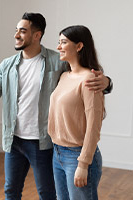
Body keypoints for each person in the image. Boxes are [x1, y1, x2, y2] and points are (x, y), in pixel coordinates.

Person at [0, 13, 112, 200]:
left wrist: (107, 81)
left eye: (22, 31)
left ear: (37, 35)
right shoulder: (7, 65)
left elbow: (85, 74)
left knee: (47, 193)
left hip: (42, 143)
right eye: (16, 30)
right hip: (14, 140)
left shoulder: (59, 62)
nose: (16, 35)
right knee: (10, 190)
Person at [48, 25, 105, 200]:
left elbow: (94, 126)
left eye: (63, 42)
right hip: (58, 153)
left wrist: (83, 163)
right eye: (58, 42)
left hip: (77, 156)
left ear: (79, 46)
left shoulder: (90, 79)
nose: (58, 47)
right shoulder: (64, 76)